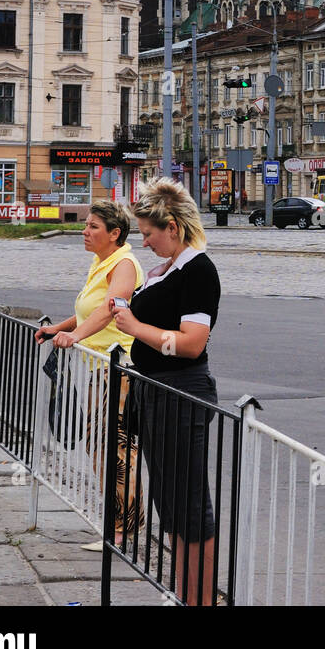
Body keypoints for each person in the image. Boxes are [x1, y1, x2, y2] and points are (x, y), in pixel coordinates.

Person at [111, 177, 221, 606]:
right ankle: (182, 592)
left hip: (181, 391)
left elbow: (192, 341)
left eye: (149, 234)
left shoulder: (198, 270)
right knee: (171, 501)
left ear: (172, 227)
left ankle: (200, 599)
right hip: (158, 389)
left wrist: (137, 328)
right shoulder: (167, 269)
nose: (146, 242)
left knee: (189, 504)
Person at [34, 201, 144, 548]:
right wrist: (59, 329)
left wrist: (74, 336)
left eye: (94, 226)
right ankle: (119, 524)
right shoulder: (103, 262)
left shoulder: (124, 264)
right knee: (101, 444)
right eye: (86, 225)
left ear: (115, 234)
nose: (85, 231)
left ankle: (122, 531)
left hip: (120, 367)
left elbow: (111, 308)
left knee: (115, 447)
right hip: (102, 368)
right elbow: (88, 312)